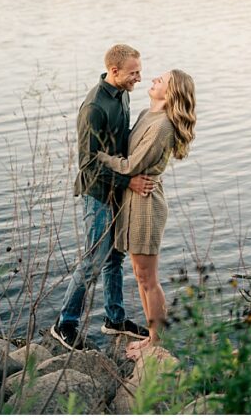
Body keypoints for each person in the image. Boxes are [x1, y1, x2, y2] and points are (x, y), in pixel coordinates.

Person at [50, 44, 156, 351]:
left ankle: (114, 318)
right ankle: (65, 323)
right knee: (94, 259)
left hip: (118, 190)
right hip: (97, 193)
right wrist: (130, 180)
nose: (139, 77)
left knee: (115, 257)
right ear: (115, 71)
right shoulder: (94, 108)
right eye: (134, 72)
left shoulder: (122, 94)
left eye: (139, 70)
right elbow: (89, 164)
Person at [97, 69, 197, 358]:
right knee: (142, 275)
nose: (153, 80)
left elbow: (130, 165)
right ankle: (153, 336)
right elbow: (126, 150)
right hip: (133, 199)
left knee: (147, 277)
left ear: (170, 93)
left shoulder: (163, 127)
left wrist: (95, 156)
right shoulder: (145, 115)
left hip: (146, 205)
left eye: (160, 81)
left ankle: (155, 341)